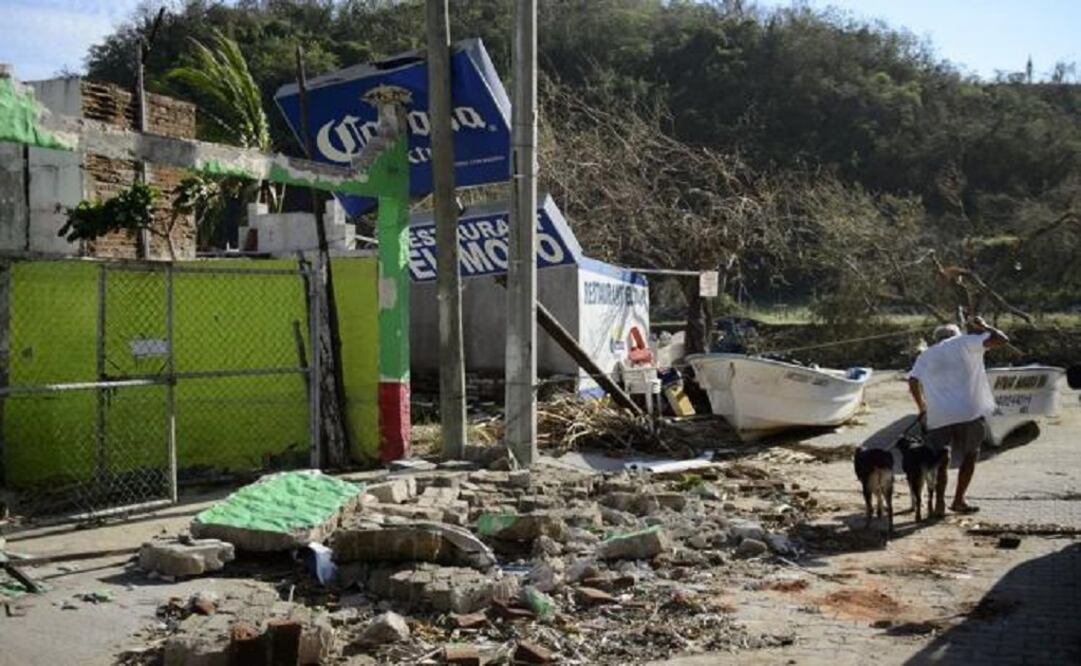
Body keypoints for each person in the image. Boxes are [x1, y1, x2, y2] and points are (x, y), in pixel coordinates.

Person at [907, 316, 1009, 516]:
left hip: (939, 415)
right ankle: (959, 500)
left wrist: (922, 407)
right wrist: (984, 326)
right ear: (957, 334)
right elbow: (1002, 340)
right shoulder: (965, 342)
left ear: (936, 339)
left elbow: (912, 381)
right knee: (970, 454)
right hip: (969, 412)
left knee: (940, 460)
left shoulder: (926, 354)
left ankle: (938, 505)